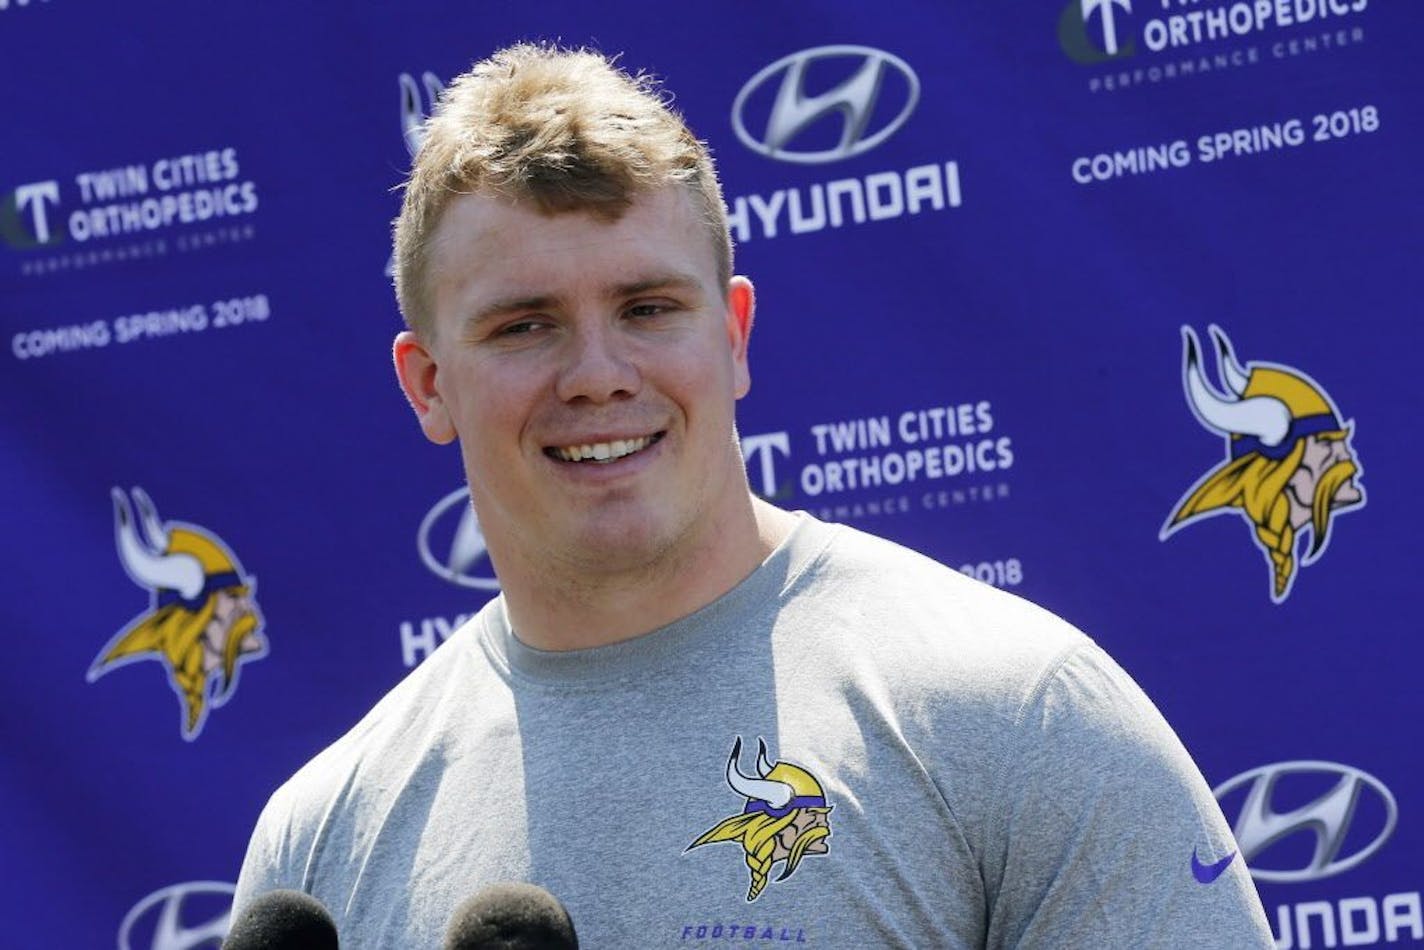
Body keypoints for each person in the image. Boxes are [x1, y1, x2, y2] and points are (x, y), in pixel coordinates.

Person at [232, 43, 1274, 948]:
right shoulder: (322, 831)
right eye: (523, 324)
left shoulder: (1015, 710)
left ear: (730, 336)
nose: (597, 373)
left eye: (646, 307)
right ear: (427, 383)